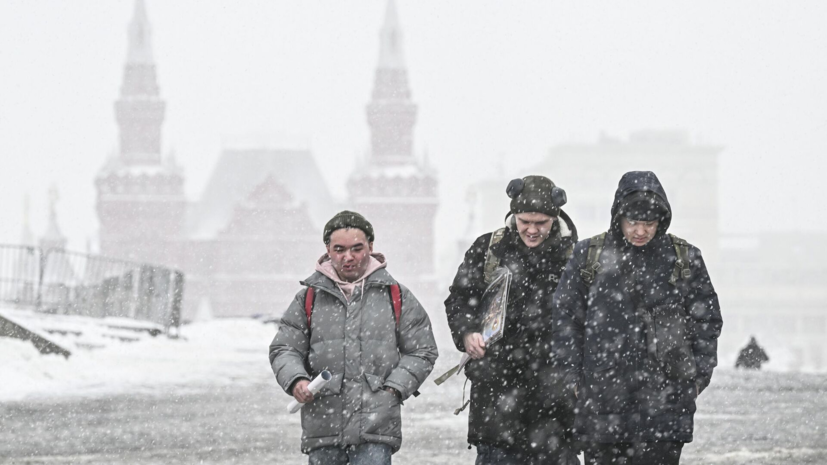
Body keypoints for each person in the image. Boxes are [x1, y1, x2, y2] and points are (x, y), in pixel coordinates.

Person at [552, 171, 723, 465]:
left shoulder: (685, 258)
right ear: (618, 217)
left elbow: (706, 322)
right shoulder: (588, 255)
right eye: (633, 222)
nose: (640, 231)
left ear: (661, 221)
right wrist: (572, 378)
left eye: (649, 223)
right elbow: (565, 320)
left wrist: (697, 378)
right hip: (602, 406)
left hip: (666, 406)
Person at [269, 210, 439, 465]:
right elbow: (284, 348)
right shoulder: (308, 298)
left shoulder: (396, 296)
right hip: (324, 427)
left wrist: (393, 389)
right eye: (339, 249)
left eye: (357, 248)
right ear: (327, 249)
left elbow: (423, 350)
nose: (348, 257)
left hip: (376, 428)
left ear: (371, 246)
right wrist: (296, 380)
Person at [444, 175, 580, 464]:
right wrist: (467, 333)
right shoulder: (489, 249)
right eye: (524, 221)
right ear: (513, 215)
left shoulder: (576, 256)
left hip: (556, 404)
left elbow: (591, 318)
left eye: (540, 223)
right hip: (496, 398)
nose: (531, 230)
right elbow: (459, 298)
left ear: (555, 218)